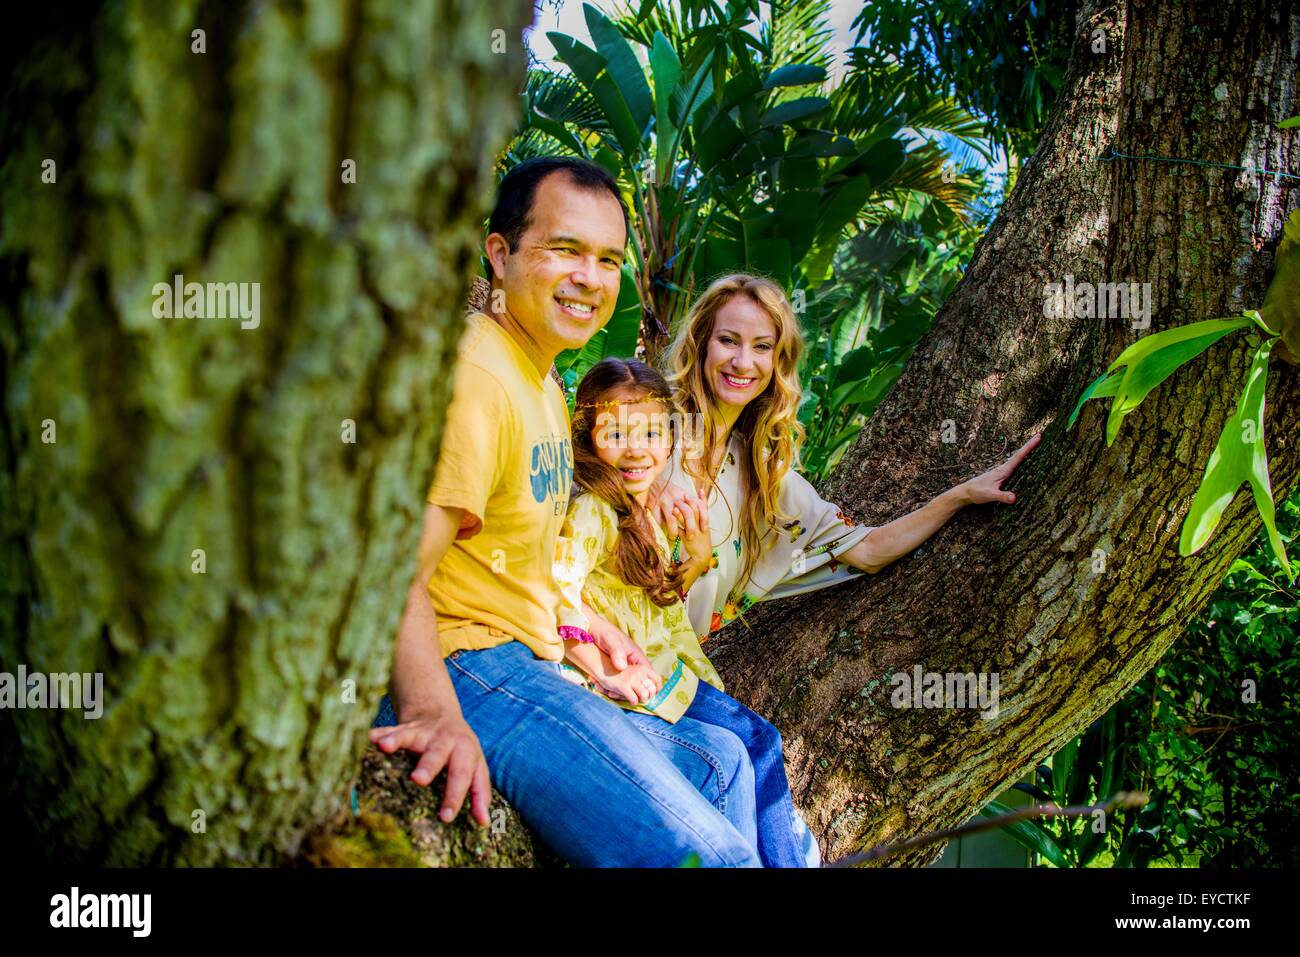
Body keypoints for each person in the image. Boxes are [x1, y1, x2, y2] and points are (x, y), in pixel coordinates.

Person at [368, 158, 762, 867]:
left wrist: (592, 632)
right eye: (565, 250)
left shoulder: (544, 377)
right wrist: (432, 712)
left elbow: (520, 559)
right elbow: (387, 568)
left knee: (724, 761)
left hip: (528, 656)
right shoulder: (476, 379)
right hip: (466, 662)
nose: (591, 277)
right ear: (500, 252)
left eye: (609, 259)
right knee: (718, 861)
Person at [579, 273, 1039, 863]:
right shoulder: (651, 427)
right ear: (701, 344)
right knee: (744, 754)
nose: (743, 361)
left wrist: (957, 498)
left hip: (674, 674)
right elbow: (581, 504)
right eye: (728, 340)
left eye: (763, 347)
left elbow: (864, 549)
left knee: (746, 756)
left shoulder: (765, 476)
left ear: (778, 361)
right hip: (610, 660)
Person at [552, 357, 820, 864]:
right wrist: (599, 668)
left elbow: (660, 598)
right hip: (644, 679)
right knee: (757, 745)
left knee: (751, 747)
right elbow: (556, 589)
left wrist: (697, 554)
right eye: (615, 434)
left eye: (651, 433)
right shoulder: (593, 510)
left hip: (674, 671)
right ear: (587, 438)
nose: (636, 449)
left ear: (670, 438)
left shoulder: (642, 506)